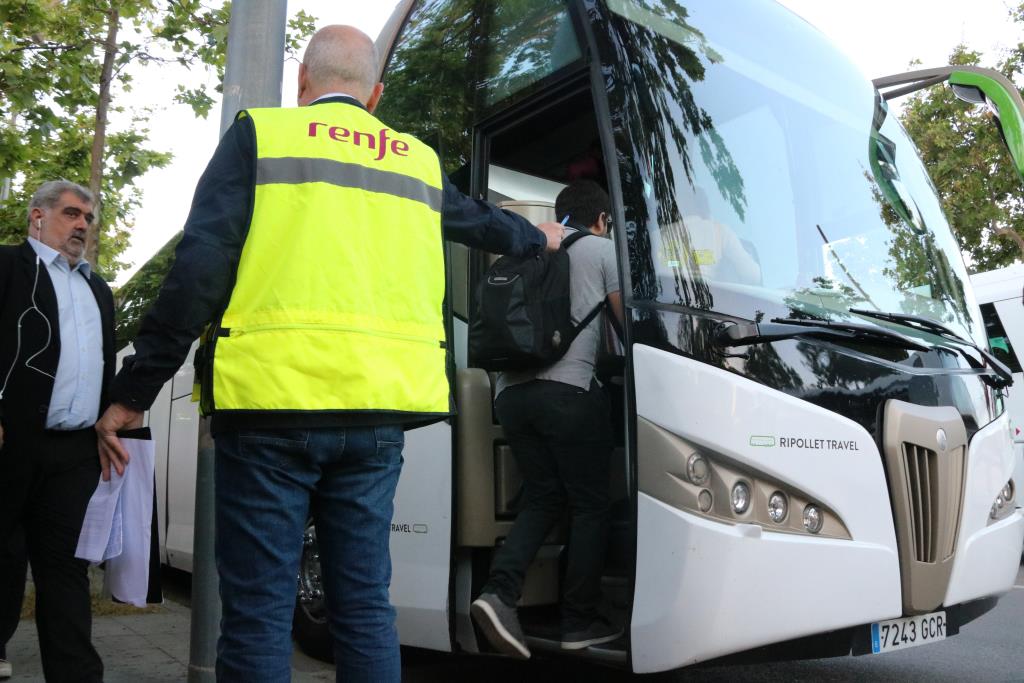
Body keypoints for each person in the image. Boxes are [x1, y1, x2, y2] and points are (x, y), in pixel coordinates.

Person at [93, 25, 566, 683]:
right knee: (366, 607)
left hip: (268, 410)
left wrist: (131, 391)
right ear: (374, 96)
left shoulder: (262, 135)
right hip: (378, 415)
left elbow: (198, 271)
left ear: (302, 82)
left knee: (258, 614)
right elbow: (482, 222)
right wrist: (537, 237)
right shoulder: (415, 161)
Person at [471, 179, 625, 658]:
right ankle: (578, 622)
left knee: (543, 495)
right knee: (590, 504)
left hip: (512, 395)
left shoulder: (530, 247)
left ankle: (499, 593)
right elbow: (629, 328)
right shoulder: (602, 251)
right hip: (570, 394)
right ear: (602, 220)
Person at [0, 180, 113, 682]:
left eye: (87, 218)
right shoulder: (6, 267)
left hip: (74, 452)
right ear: (37, 217)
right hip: (10, 444)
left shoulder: (97, 288)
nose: (82, 226)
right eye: (71, 213)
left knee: (67, 572)